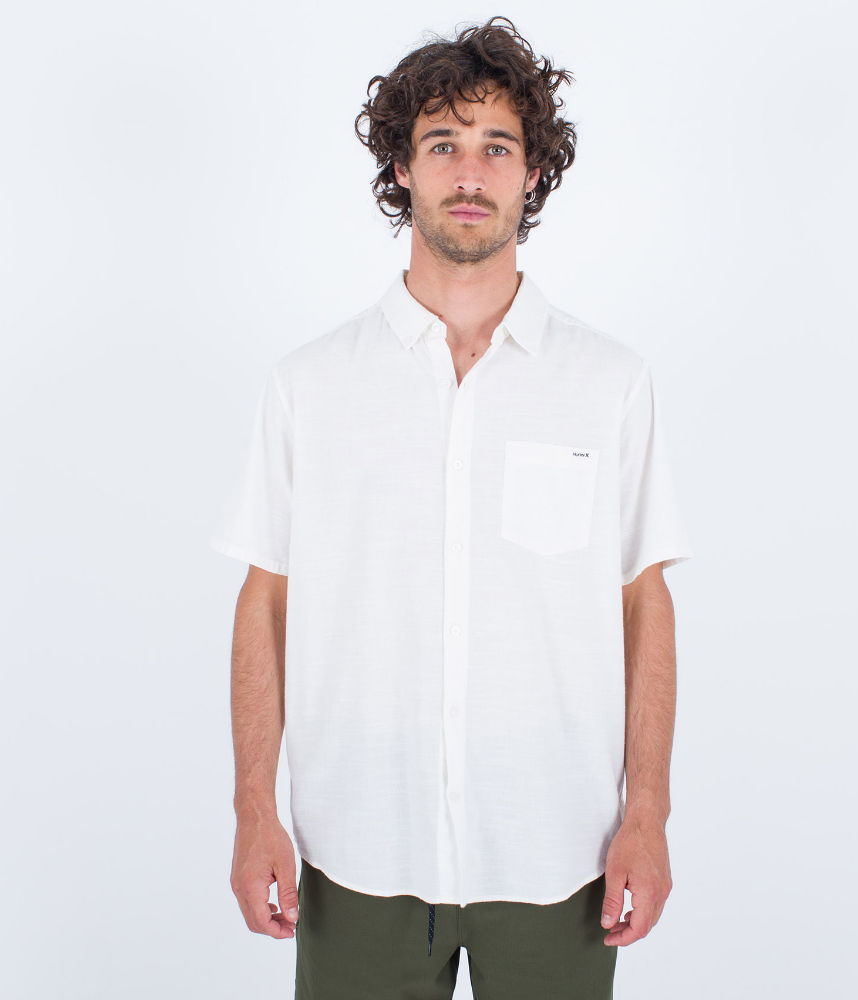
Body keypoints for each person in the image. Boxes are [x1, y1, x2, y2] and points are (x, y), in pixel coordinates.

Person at [209, 14, 693, 999]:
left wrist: (648, 812)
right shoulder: (310, 385)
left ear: (534, 174)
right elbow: (266, 598)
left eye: (497, 147)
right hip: (359, 851)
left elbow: (643, 601)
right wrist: (253, 805)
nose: (469, 174)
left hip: (558, 853)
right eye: (442, 145)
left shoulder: (609, 383)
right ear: (402, 167)